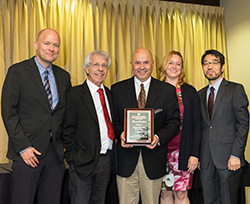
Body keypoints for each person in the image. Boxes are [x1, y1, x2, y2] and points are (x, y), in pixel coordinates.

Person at [1, 28, 71, 204]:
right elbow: (8, 112)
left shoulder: (64, 77)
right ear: (36, 45)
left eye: (56, 45)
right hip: (27, 153)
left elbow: (65, 114)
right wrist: (23, 147)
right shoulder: (17, 71)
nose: (51, 48)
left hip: (55, 154)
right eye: (47, 43)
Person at [111, 47, 181, 204]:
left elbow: (174, 122)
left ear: (153, 64)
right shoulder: (117, 90)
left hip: (153, 159)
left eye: (145, 62)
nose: (141, 67)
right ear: (131, 64)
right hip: (125, 161)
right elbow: (113, 121)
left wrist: (158, 137)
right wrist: (121, 133)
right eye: (137, 63)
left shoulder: (167, 91)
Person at [62, 50, 115, 204]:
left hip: (105, 161)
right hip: (82, 163)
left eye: (104, 66)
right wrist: (74, 157)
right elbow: (67, 130)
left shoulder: (109, 95)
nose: (100, 69)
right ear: (87, 68)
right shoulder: (74, 94)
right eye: (96, 64)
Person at [198, 49, 249, 204]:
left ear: (222, 67)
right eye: (206, 63)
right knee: (209, 200)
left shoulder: (235, 89)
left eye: (214, 62)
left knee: (228, 200)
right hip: (206, 160)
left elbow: (243, 123)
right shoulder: (199, 94)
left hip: (228, 158)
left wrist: (236, 154)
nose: (209, 67)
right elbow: (200, 127)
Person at [158, 51, 202, 204]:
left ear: (182, 69)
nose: (174, 67)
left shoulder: (189, 92)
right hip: (159, 152)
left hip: (183, 153)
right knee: (164, 194)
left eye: (178, 64)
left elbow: (197, 125)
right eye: (171, 62)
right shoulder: (155, 90)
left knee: (181, 194)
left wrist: (194, 154)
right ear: (164, 66)